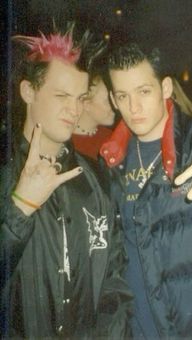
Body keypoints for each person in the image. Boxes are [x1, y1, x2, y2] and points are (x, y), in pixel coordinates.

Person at [0, 27, 132, 338]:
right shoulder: (5, 176)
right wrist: (20, 208)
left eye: (80, 98)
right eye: (61, 96)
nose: (74, 111)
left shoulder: (97, 181)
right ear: (28, 92)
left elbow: (114, 284)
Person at [102, 43, 192, 338]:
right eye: (123, 96)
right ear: (113, 98)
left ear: (165, 88)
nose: (133, 107)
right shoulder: (109, 165)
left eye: (143, 91)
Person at [72, 72, 115, 161]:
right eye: (107, 101)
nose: (114, 105)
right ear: (87, 105)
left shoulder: (112, 137)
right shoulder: (66, 143)